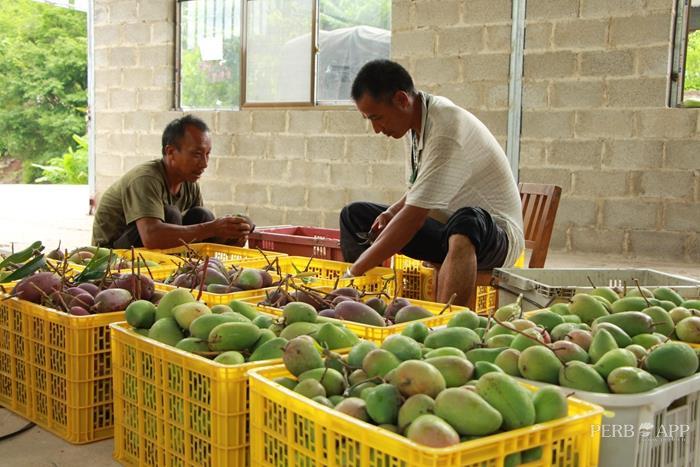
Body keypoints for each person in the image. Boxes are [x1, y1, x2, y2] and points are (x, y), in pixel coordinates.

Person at [339, 60, 524, 307]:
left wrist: (355, 270)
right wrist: (391, 212)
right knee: (355, 215)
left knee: (466, 220)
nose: (376, 129)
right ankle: (359, 304)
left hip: (494, 239)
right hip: (448, 232)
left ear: (402, 100)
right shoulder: (413, 125)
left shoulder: (446, 129)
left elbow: (414, 218)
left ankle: (444, 325)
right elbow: (420, 189)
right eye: (369, 119)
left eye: (377, 117)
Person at [92, 115, 253, 249]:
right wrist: (212, 228)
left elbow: (202, 237)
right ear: (171, 152)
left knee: (202, 215)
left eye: (207, 154)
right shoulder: (145, 179)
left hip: (151, 250)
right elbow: (152, 237)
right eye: (197, 154)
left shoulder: (189, 183)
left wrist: (233, 233)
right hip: (112, 258)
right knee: (172, 215)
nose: (204, 163)